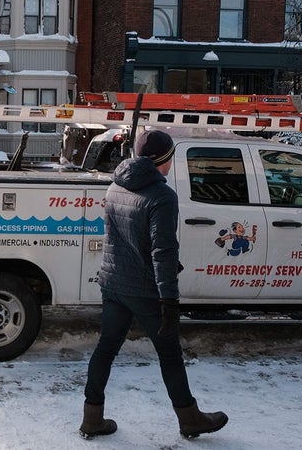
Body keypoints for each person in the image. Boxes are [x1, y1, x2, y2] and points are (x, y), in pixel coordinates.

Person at [79, 129, 228, 439]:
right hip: (145, 290)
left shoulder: (115, 186)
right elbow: (163, 251)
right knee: (170, 354)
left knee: (105, 350)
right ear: (166, 159)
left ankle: (92, 418)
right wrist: (170, 300)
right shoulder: (162, 196)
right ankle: (190, 418)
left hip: (113, 283)